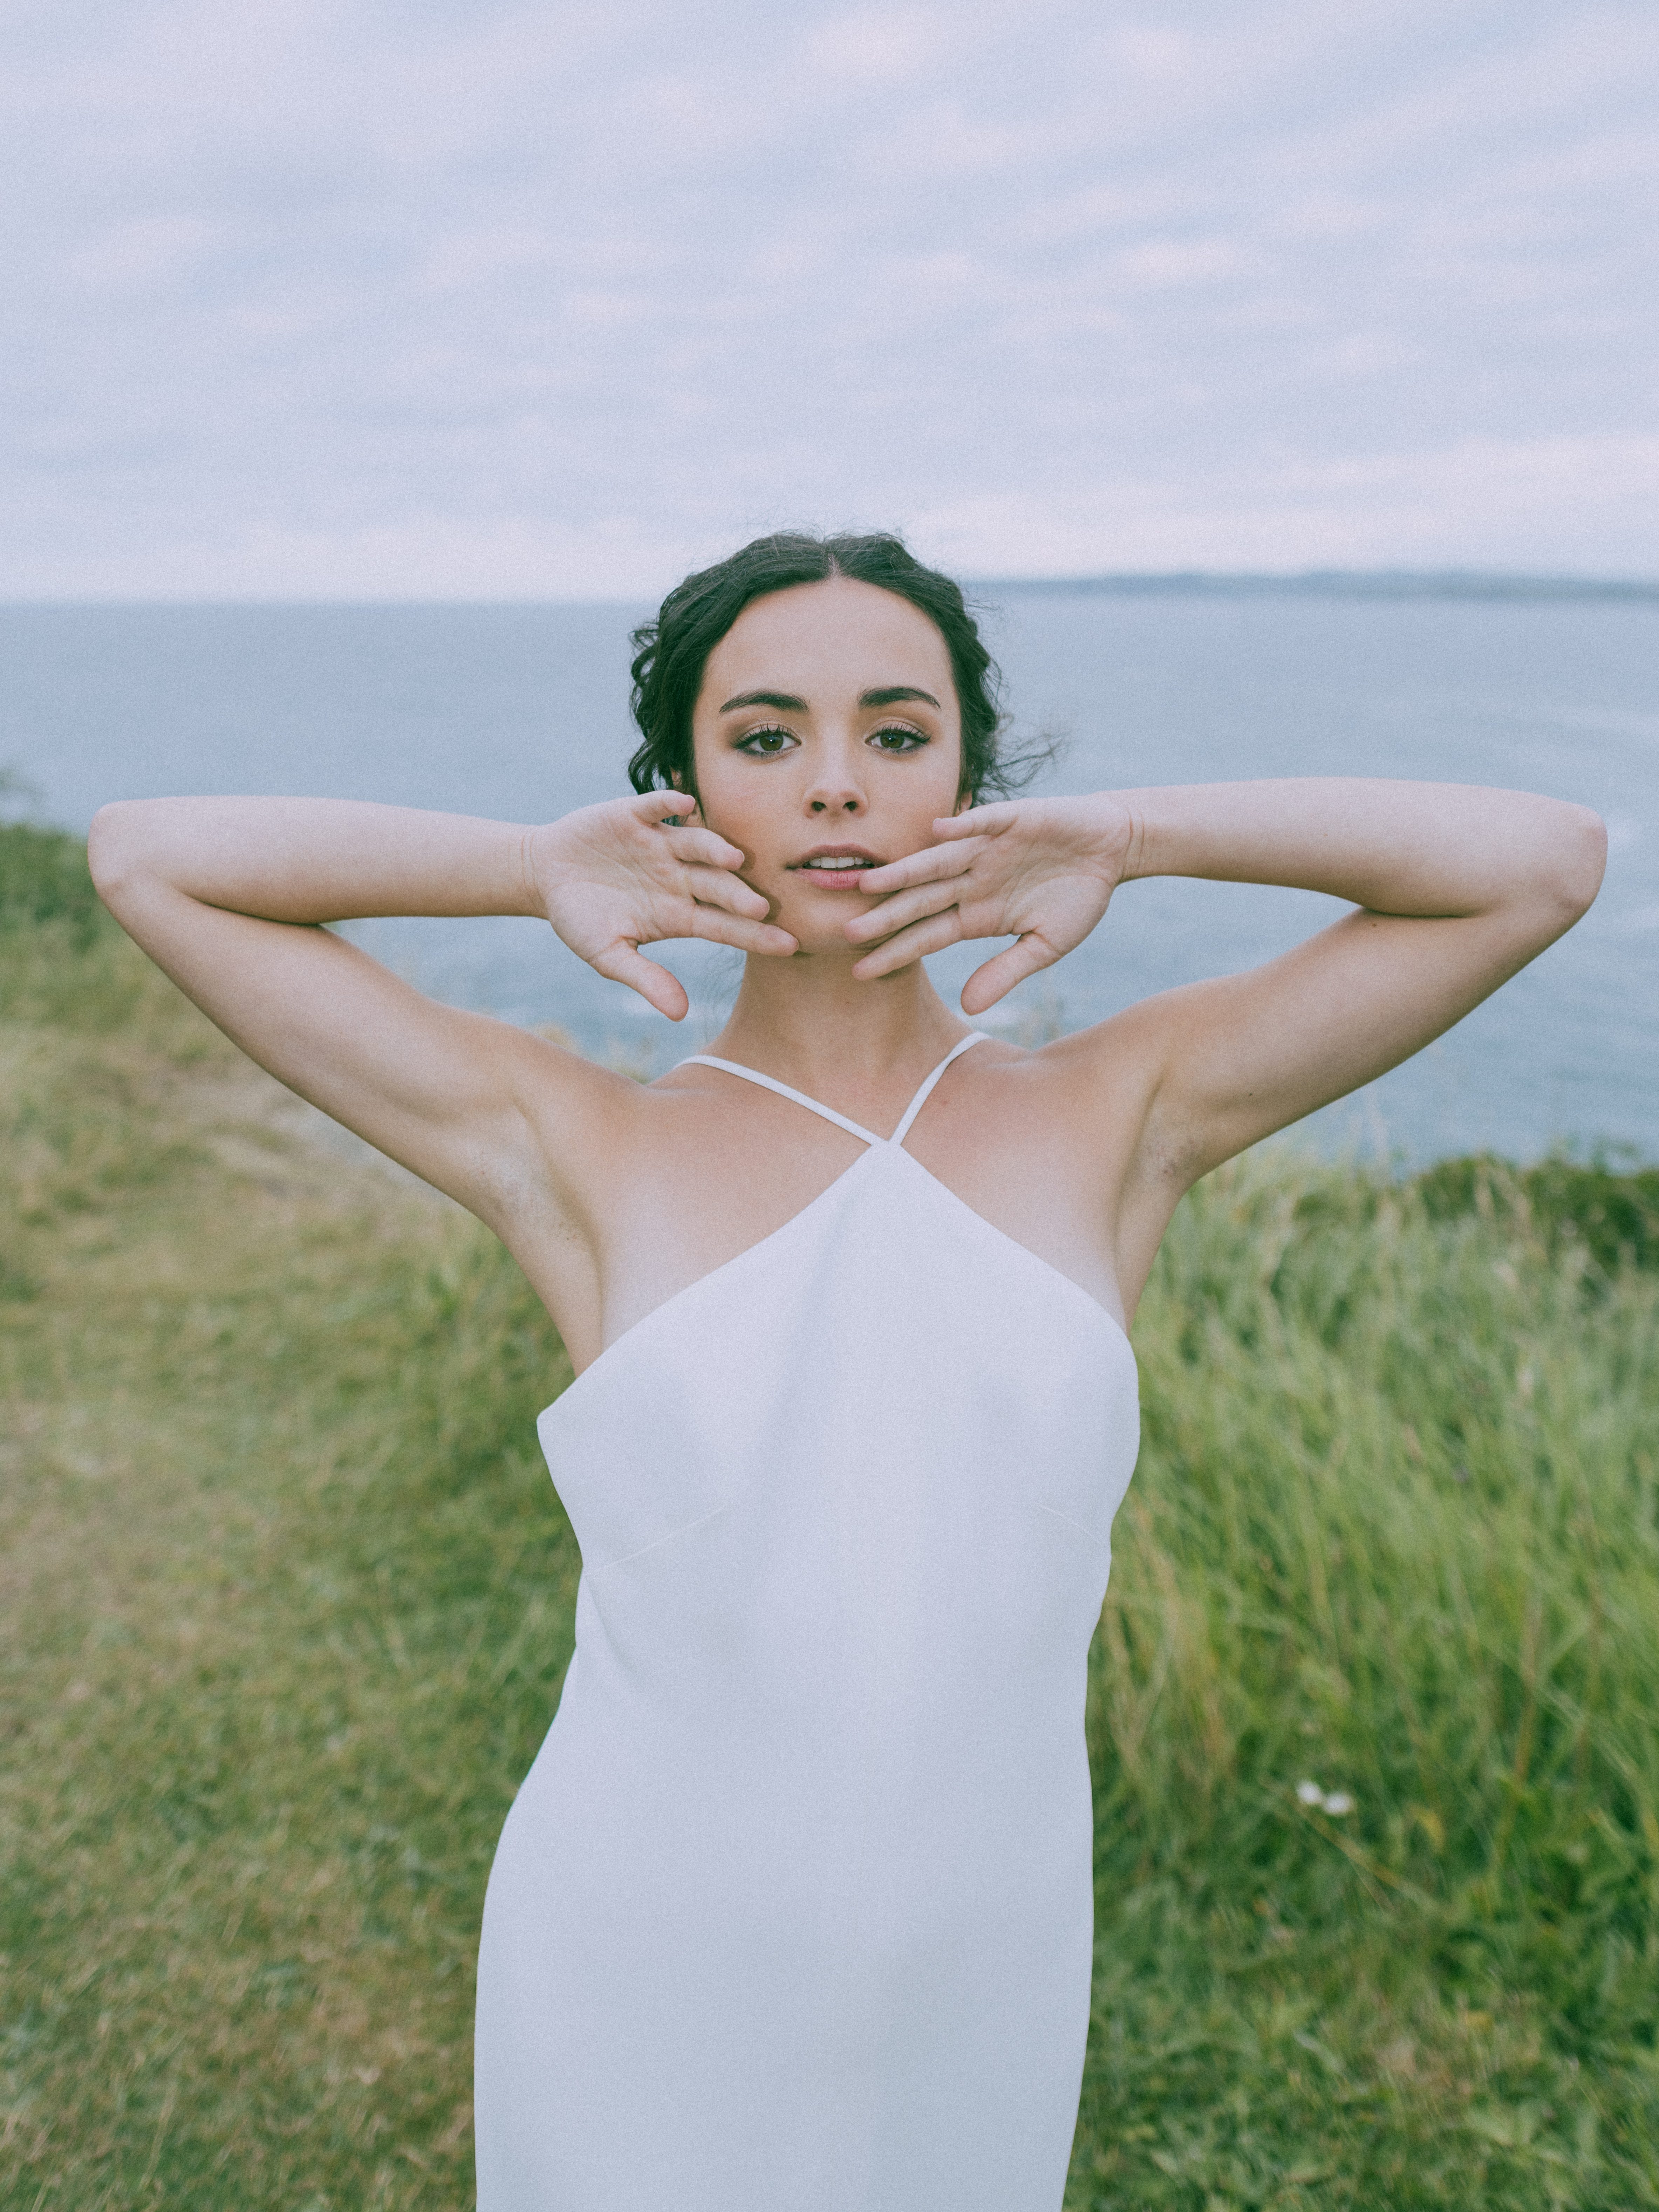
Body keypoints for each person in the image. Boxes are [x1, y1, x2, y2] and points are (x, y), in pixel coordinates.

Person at [88, 532, 1606, 2210]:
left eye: (895, 736)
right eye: (762, 740)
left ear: (969, 779)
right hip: (639, 1954)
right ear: (681, 793)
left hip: (990, 1953)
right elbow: (151, 859)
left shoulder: (1118, 1116)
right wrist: (536, 868)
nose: (832, 790)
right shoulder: (576, 1146)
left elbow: (1537, 864)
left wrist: (1133, 834)